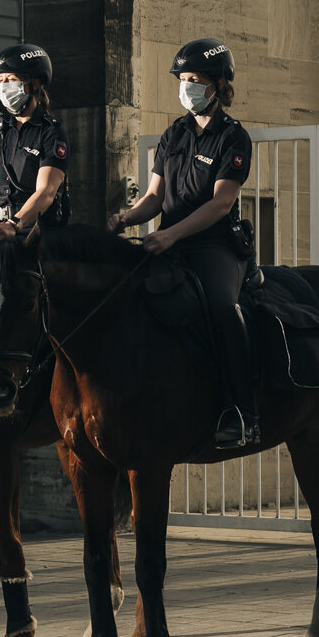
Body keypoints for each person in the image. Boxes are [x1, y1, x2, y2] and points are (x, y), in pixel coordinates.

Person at [108, 37, 258, 449]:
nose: (186, 87)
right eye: (184, 79)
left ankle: (243, 410)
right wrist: (123, 219)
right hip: (167, 242)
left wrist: (169, 234)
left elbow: (221, 204)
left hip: (214, 248)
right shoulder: (175, 133)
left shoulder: (233, 138)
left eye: (195, 80)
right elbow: (154, 197)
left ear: (218, 84)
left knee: (225, 310)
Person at [0, 43, 70, 241]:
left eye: (11, 79)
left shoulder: (51, 133)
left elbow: (47, 192)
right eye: (1, 80)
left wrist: (14, 224)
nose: (4, 87)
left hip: (31, 233)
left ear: (34, 83)